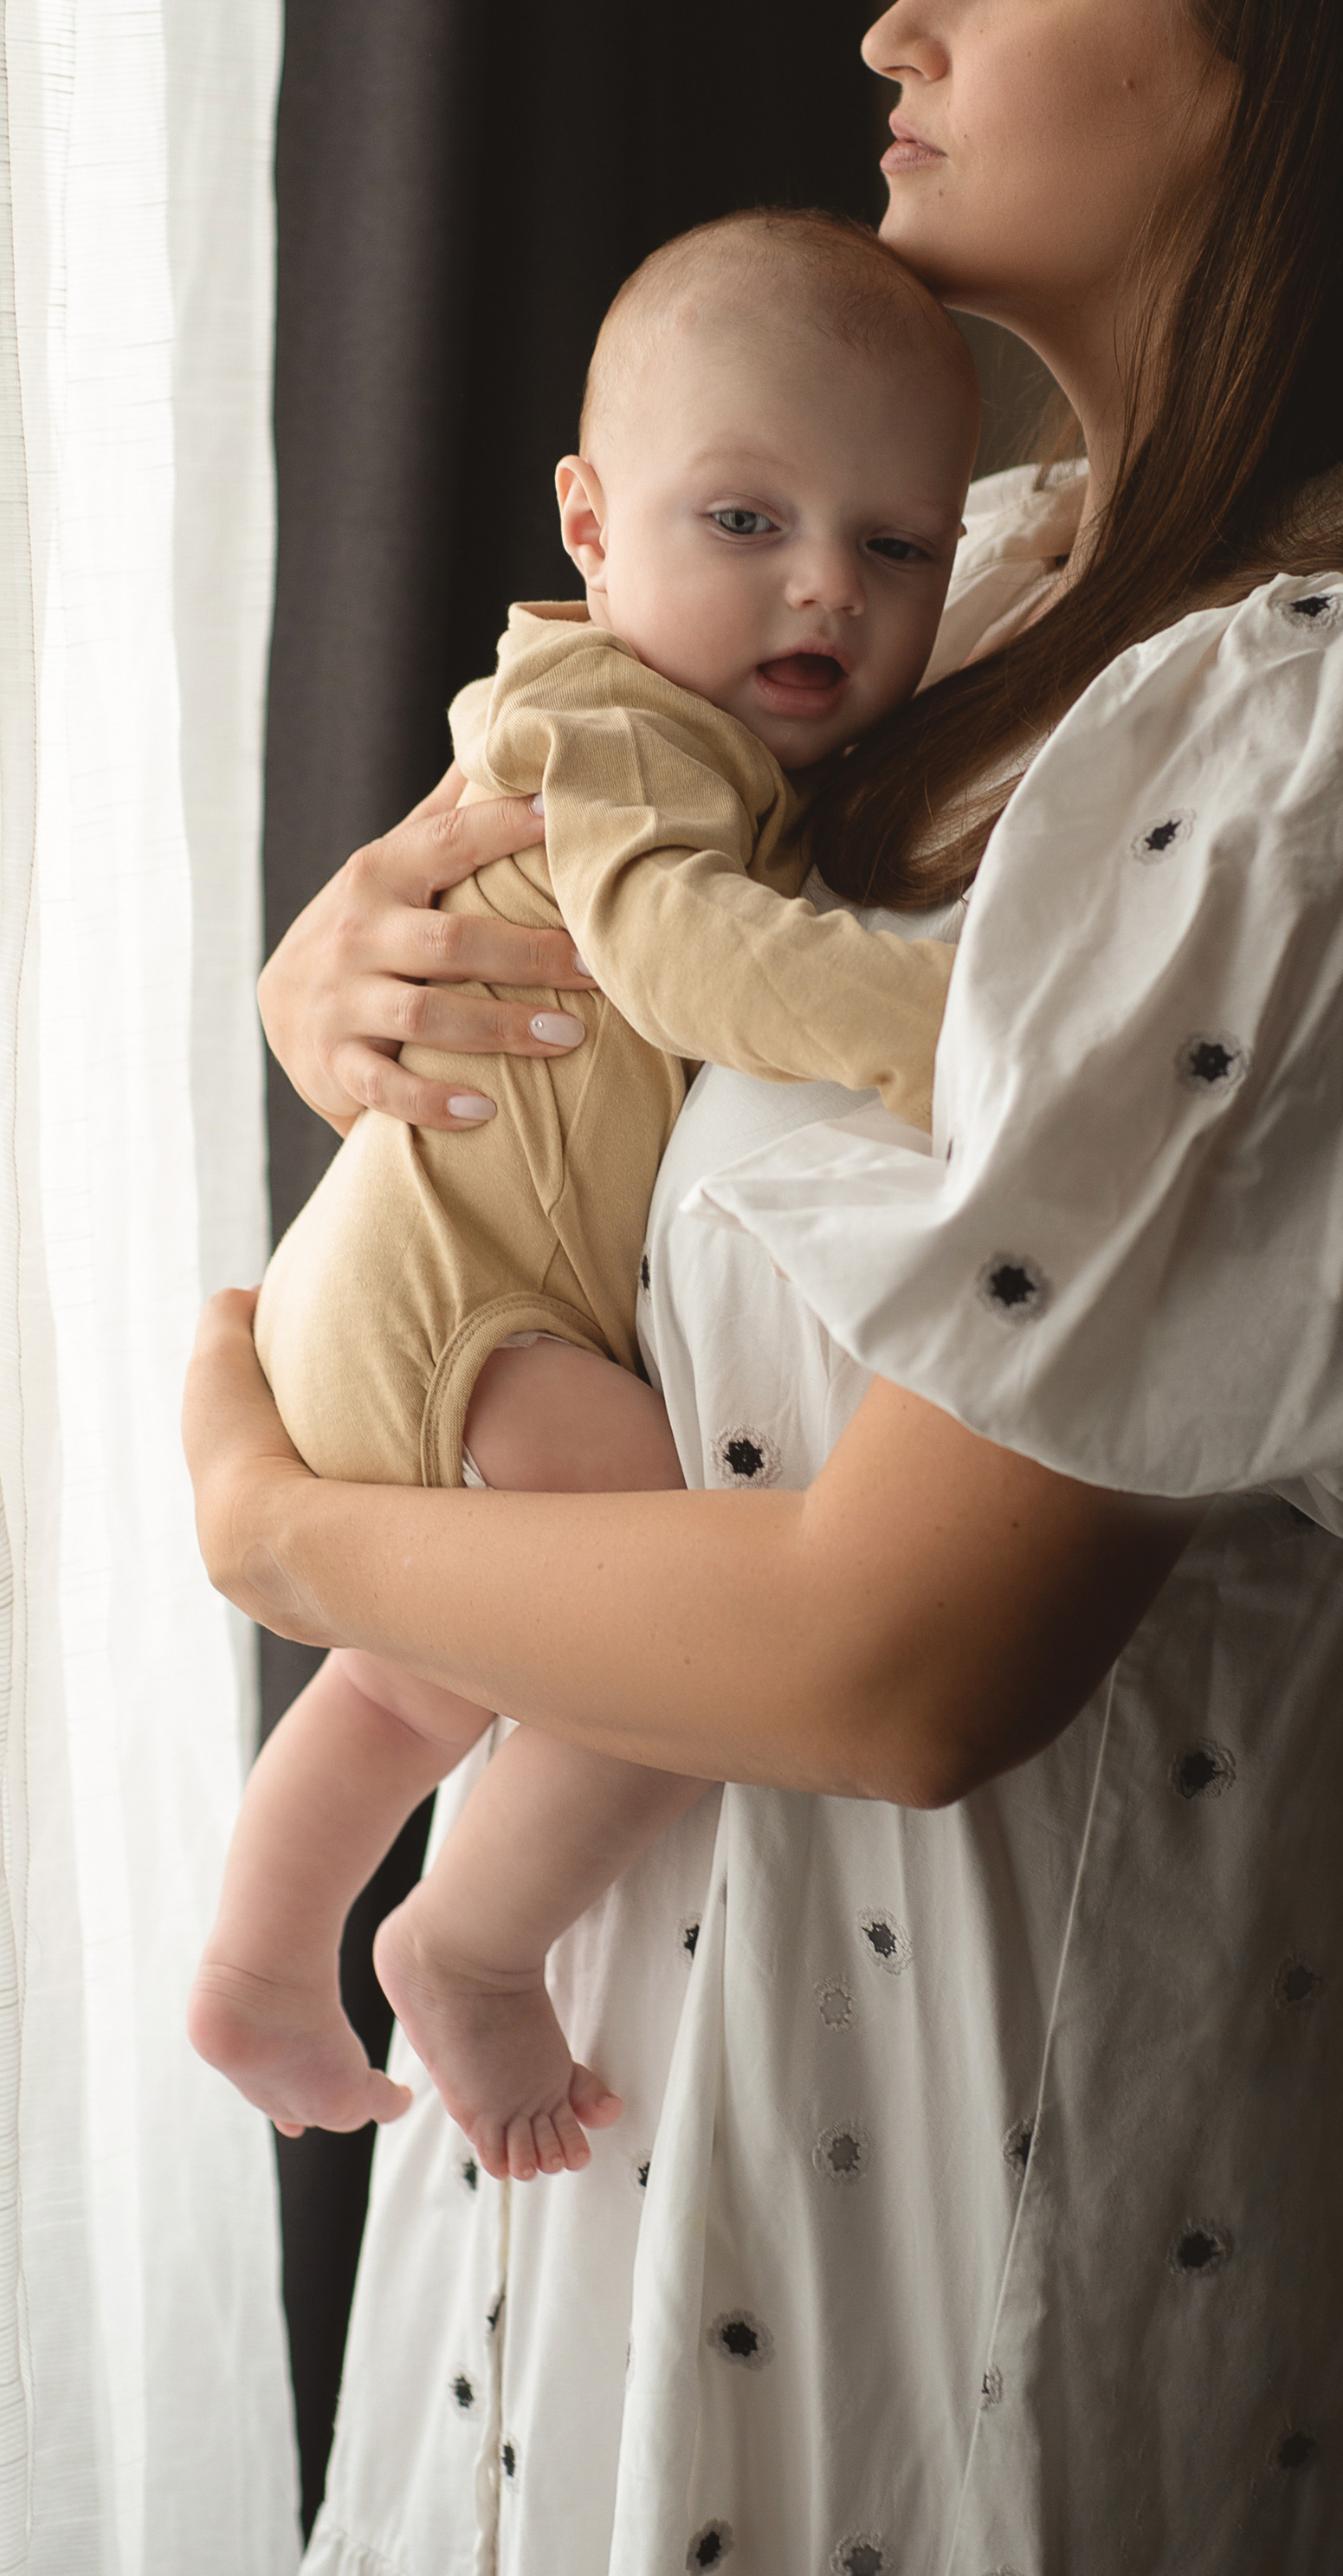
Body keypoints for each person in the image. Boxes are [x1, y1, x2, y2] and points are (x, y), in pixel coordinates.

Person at [182, 0, 1343, 2573]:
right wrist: (335, 979)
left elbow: (906, 1662)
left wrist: (281, 1538)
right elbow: (604, 988)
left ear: (1274, 69)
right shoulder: (970, 599)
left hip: (980, 2282)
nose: (898, 29)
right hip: (618, 2173)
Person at [188, 209, 980, 2180]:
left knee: (406, 1674)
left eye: (894, 549)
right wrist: (965, 1022)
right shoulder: (608, 735)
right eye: (744, 522)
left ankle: (261, 1962)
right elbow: (685, 961)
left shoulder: (670, 719)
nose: (824, 588)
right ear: (586, 522)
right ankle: (460, 1943)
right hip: (461, 1289)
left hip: (417, 1282)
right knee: (667, 1622)